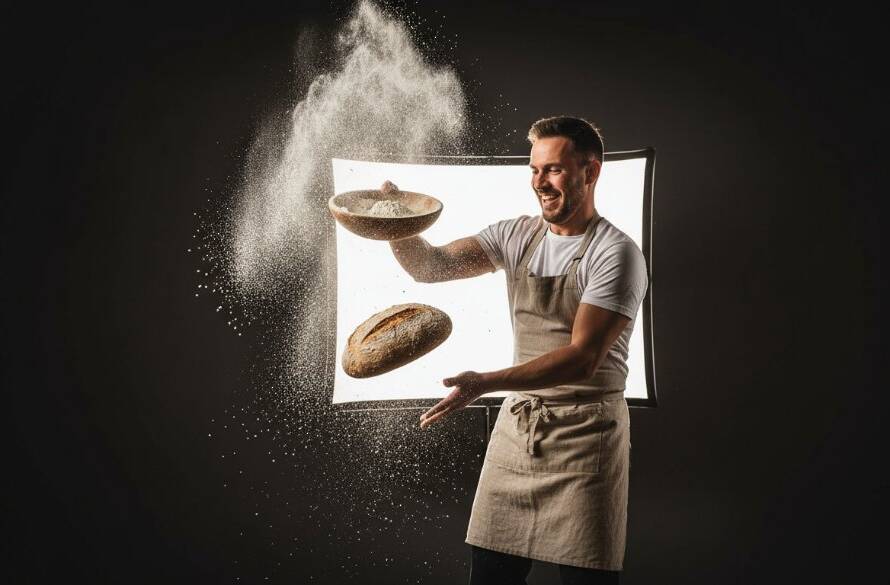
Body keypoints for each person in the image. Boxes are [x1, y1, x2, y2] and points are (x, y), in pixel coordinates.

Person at [388, 116, 649, 584]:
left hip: (586, 435)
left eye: (552, 170)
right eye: (534, 170)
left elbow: (582, 357)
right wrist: (394, 222)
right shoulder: (516, 236)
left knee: (584, 579)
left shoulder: (615, 253)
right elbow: (430, 266)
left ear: (590, 173)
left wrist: (485, 383)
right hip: (520, 429)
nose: (539, 183)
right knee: (490, 573)